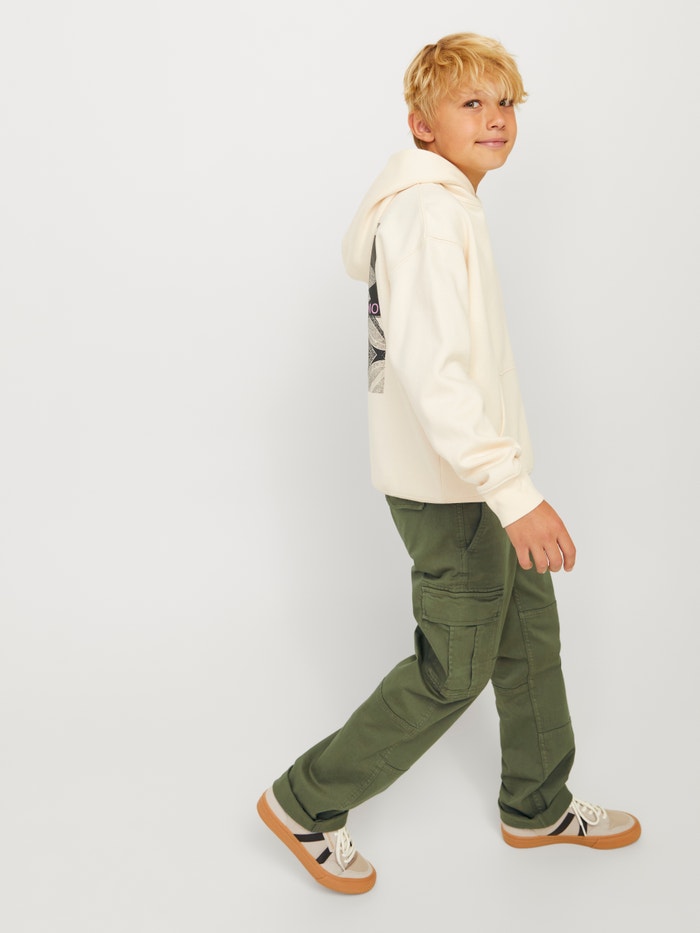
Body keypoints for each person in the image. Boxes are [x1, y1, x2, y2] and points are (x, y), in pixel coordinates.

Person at [257, 32, 640, 895]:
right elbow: (434, 378)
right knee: (453, 668)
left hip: (482, 480)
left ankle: (537, 804)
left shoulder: (447, 205)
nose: (495, 118)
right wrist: (512, 492)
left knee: (528, 640)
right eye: (471, 102)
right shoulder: (428, 215)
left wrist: (511, 485)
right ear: (421, 124)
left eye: (506, 102)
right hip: (454, 490)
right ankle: (305, 800)